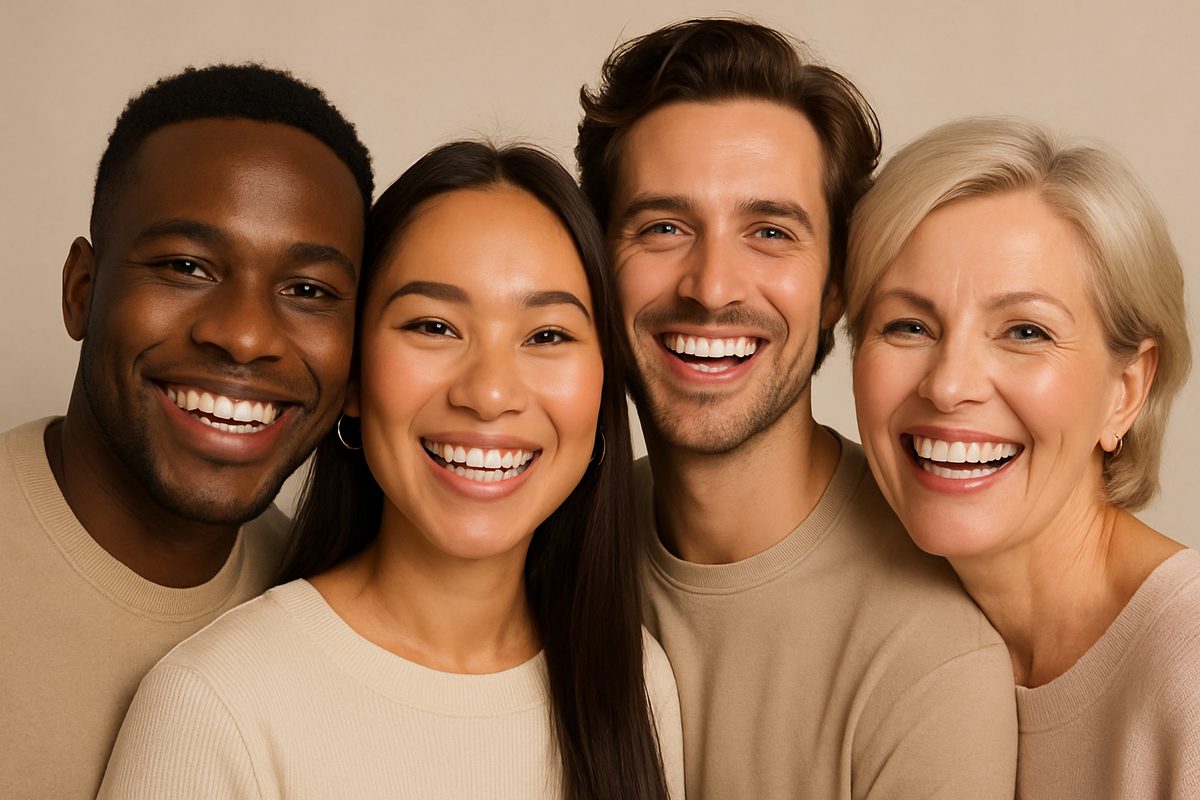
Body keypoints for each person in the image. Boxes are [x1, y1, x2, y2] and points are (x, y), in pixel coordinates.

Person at [98, 141, 684, 799]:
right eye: (434, 326)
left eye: (547, 336)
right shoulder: (214, 705)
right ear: (354, 375)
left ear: (602, 391)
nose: (490, 393)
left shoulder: (637, 681)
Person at [576, 18, 1018, 798]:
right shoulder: (558, 547)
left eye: (770, 231)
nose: (712, 287)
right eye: (664, 227)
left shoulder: (928, 657)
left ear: (837, 286)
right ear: (595, 263)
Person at [0, 64, 372, 799]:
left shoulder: (320, 603)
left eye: (307, 290)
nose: (244, 336)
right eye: (186, 266)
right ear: (81, 291)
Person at [846, 116, 1197, 798]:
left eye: (1026, 331)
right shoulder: (892, 639)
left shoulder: (1190, 668)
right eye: (908, 325)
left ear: (1126, 391)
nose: (949, 385)